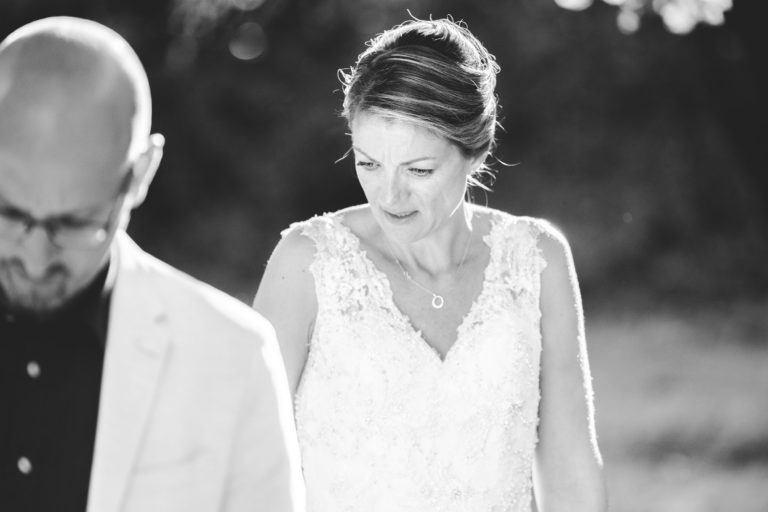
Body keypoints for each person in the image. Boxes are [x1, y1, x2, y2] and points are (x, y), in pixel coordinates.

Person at [254, 17, 607, 512]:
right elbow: (247, 463)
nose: (390, 195)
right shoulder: (309, 263)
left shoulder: (536, 260)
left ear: (475, 153)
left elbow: (571, 472)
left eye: (419, 170)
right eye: (368, 163)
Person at [0, 17, 304, 512]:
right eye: (9, 213)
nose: (35, 260)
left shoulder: (234, 358)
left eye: (75, 224)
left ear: (140, 175)